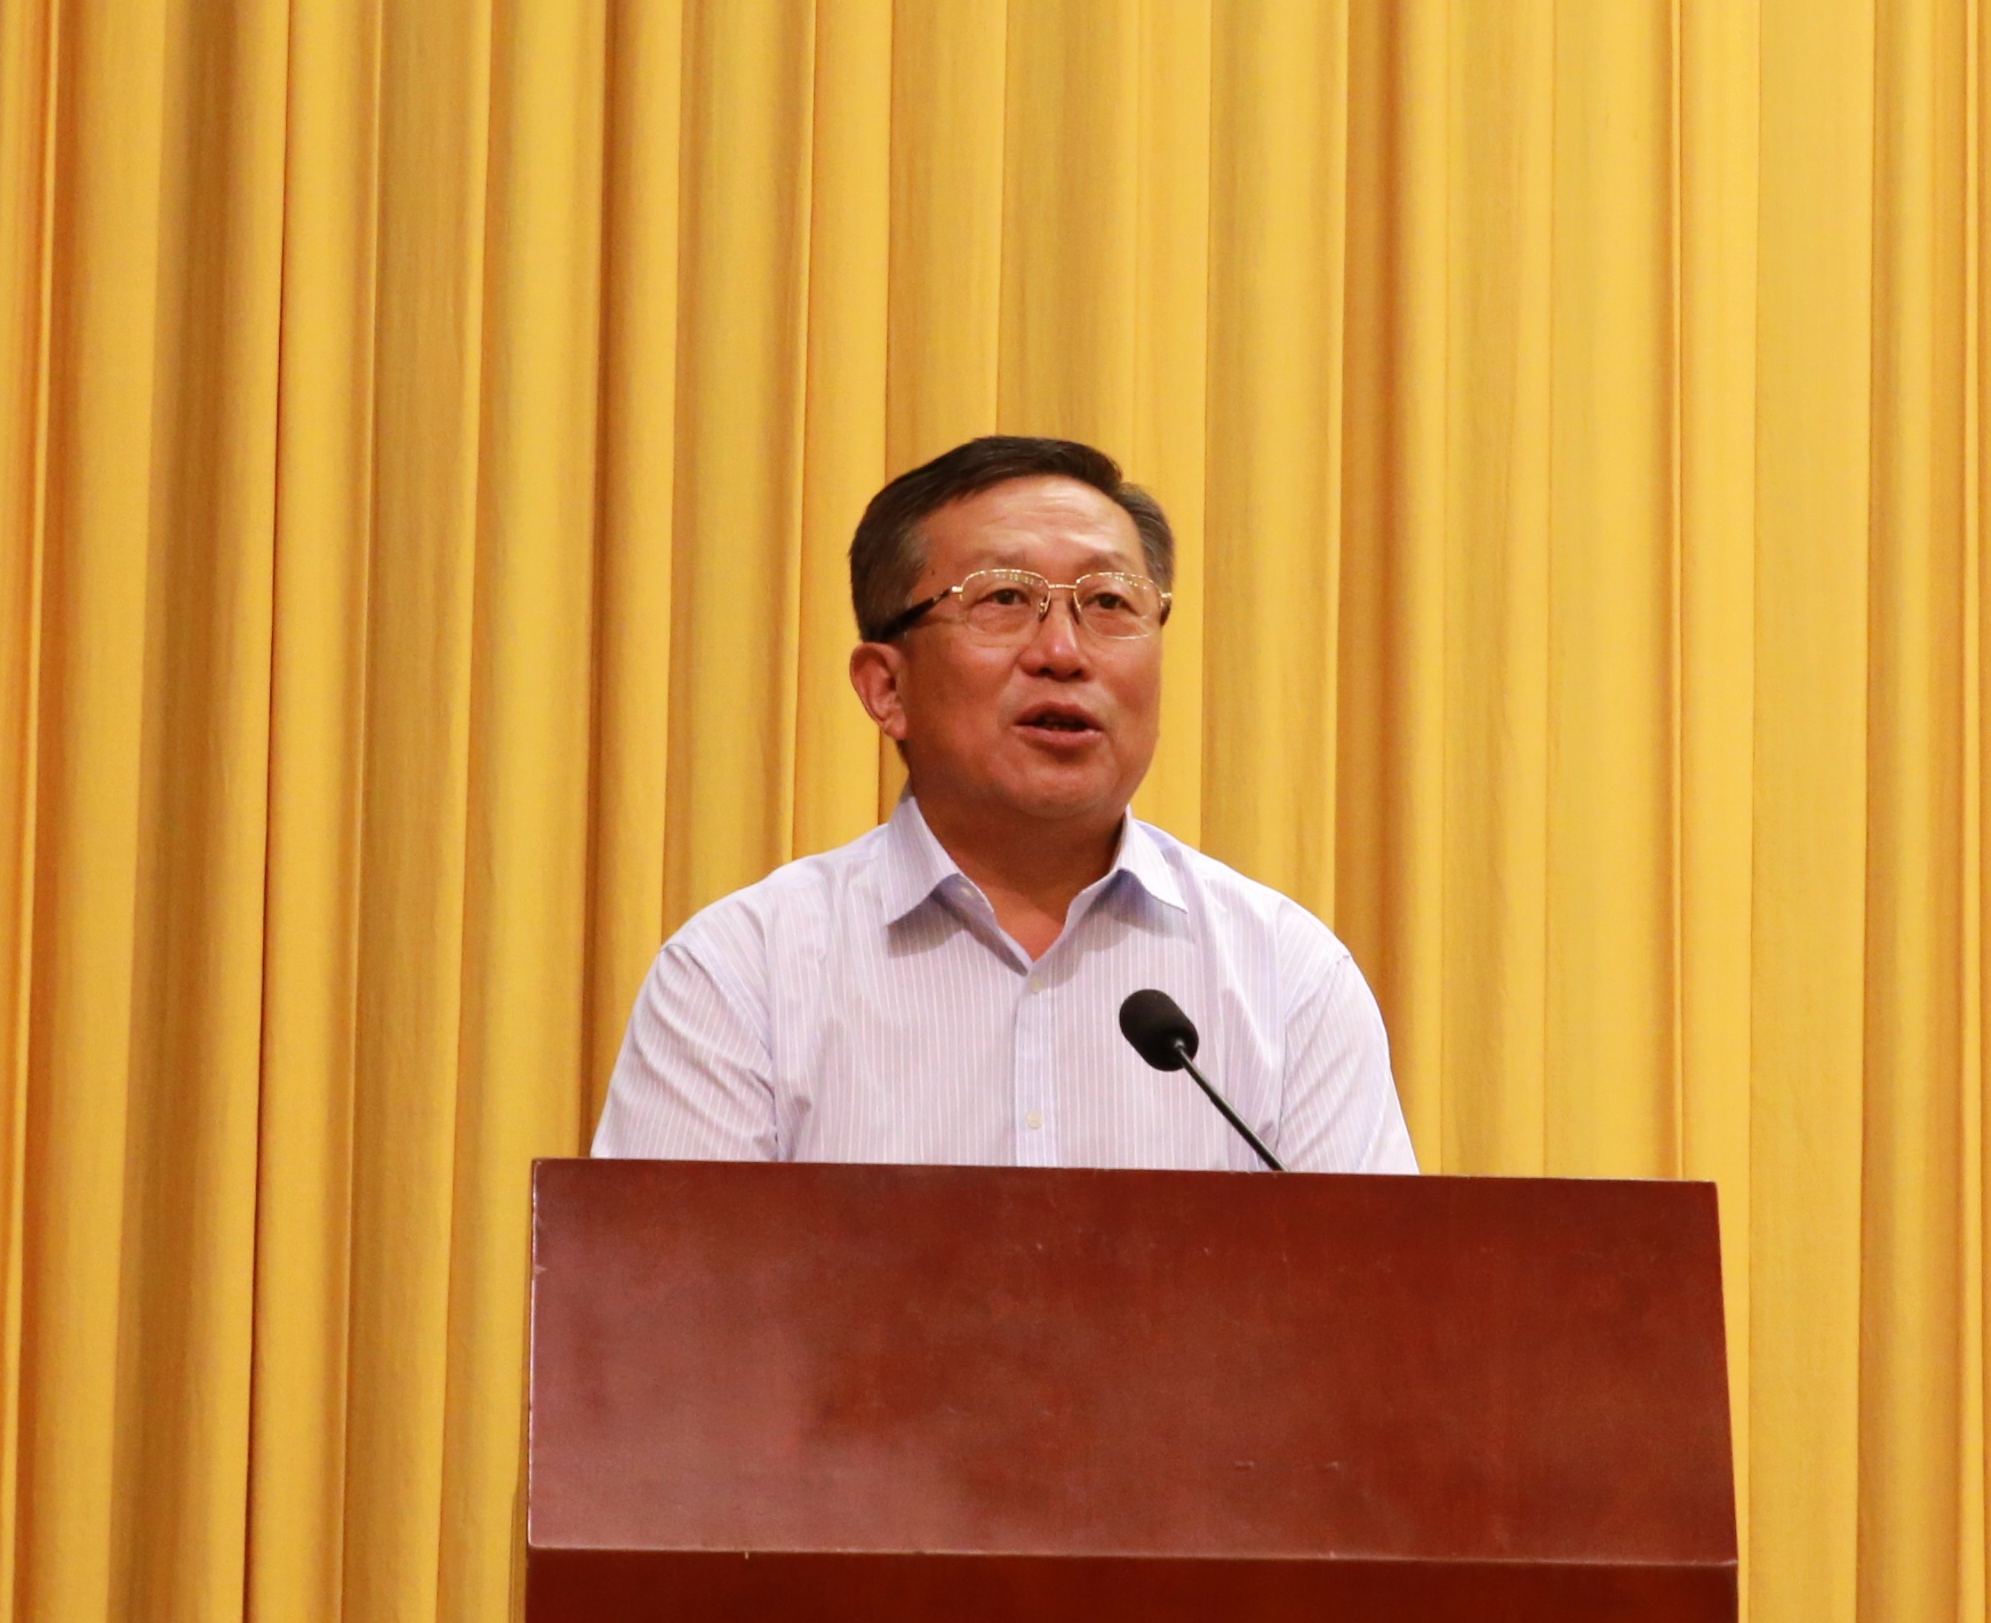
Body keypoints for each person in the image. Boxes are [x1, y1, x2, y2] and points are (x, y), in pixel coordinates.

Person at [591, 435, 1418, 1171]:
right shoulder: (742, 977)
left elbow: (1370, 1291)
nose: (1062, 652)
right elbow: (663, 1291)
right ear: (886, 689)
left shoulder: (1286, 978)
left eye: (1109, 603)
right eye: (1004, 599)